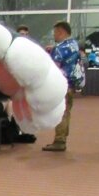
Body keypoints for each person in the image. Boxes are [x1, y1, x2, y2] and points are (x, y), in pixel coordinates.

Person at [42, 20, 82, 152]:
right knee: (67, 112)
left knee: (61, 113)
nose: (54, 35)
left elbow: (54, 66)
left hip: (61, 85)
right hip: (72, 84)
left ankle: (59, 140)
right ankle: (63, 137)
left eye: (55, 32)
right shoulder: (74, 45)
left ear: (61, 32)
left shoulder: (59, 49)